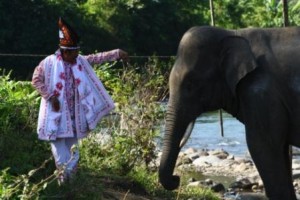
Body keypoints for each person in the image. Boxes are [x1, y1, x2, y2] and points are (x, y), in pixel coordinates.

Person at [32, 17, 128, 183]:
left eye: (77, 51)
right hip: (55, 114)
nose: (77, 54)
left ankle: (71, 180)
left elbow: (97, 58)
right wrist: (50, 96)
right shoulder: (48, 63)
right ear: (65, 52)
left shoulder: (80, 61)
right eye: (74, 52)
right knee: (58, 147)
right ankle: (64, 180)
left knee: (73, 148)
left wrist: (117, 53)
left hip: (74, 115)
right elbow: (36, 80)